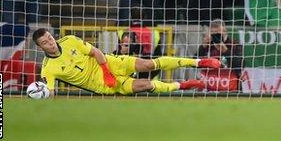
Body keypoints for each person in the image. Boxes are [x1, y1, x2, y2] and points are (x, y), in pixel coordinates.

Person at [32, 29, 222, 96]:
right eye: (45, 42)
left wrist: (106, 70)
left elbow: (96, 52)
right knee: (146, 85)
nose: (50, 42)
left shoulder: (69, 40)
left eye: (49, 37)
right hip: (102, 85)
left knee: (149, 64)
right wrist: (41, 93)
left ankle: (199, 62)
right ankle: (182, 85)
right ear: (41, 47)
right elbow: (50, 91)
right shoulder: (48, 68)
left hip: (110, 63)